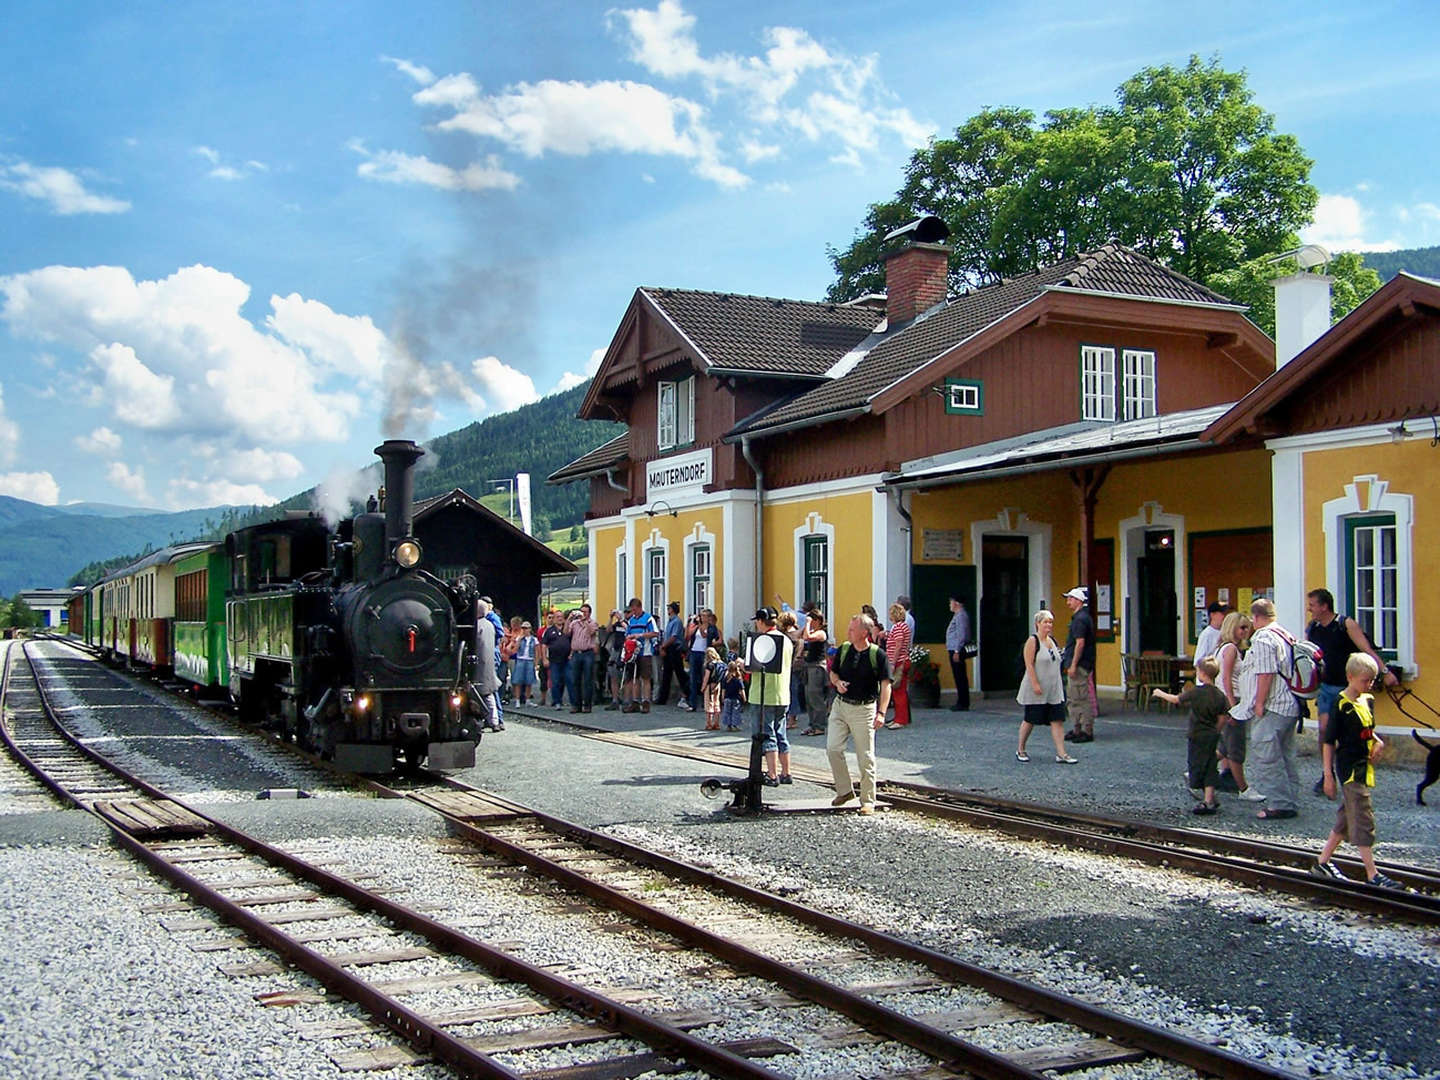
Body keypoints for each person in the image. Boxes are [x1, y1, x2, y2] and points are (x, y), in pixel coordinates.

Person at [1311, 653, 1400, 888]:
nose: (1368, 685)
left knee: (1346, 818)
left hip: (1364, 766)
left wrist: (1377, 741)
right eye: (1364, 680)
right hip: (1349, 769)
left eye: (1371, 681)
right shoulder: (1340, 705)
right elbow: (1329, 741)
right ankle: (1372, 874)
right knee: (1362, 816)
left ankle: (1322, 861)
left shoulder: (1367, 700)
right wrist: (1328, 775)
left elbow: (1367, 728)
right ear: (1350, 677)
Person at [1305, 587, 1399, 795]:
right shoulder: (1313, 628)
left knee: (1351, 734)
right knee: (1324, 731)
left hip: (1349, 687)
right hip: (1327, 687)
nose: (1309, 609)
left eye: (1312, 605)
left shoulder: (1344, 624)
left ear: (1324, 606)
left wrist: (1384, 671)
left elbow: (1366, 649)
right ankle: (1327, 773)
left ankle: (1355, 773)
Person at [1238, 598, 1303, 819]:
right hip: (1290, 703)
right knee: (1285, 755)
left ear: (1255, 618)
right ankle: (1290, 799)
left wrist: (1258, 703)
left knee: (1266, 754)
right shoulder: (1284, 634)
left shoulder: (1264, 638)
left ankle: (1280, 804)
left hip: (1273, 704)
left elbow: (1266, 673)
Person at [827, 613, 892, 815]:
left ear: (864, 633)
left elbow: (886, 685)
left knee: (865, 756)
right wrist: (837, 683)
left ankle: (868, 800)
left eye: (852, 629)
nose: (848, 631)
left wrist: (881, 713)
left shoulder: (878, 655)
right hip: (840, 706)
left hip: (864, 709)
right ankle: (845, 791)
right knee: (833, 749)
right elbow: (833, 672)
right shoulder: (844, 649)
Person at [1153, 656, 1229, 814]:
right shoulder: (1220, 695)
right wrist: (1216, 730)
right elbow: (1223, 718)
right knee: (1210, 765)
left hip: (1197, 735)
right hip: (1211, 735)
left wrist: (1160, 693)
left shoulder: (1196, 693)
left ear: (1201, 673)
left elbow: (1176, 699)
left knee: (1197, 764)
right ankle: (1210, 798)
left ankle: (1207, 798)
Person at [1214, 612, 1264, 802]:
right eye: (1241, 627)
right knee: (1235, 746)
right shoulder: (1231, 650)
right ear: (1232, 628)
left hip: (1228, 698)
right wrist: (1234, 706)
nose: (1245, 631)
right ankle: (1243, 788)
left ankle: (1198, 768)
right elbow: (1226, 678)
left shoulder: (1223, 648)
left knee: (1224, 746)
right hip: (1231, 698)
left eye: (1247, 627)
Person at [1016, 609, 1075, 764]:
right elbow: (1028, 664)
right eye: (1045, 622)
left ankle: (1062, 753)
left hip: (1053, 689)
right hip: (1037, 688)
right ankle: (1021, 748)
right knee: (1030, 719)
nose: (1049, 625)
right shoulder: (1032, 641)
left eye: (1050, 622)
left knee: (1057, 720)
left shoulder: (1052, 641)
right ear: (1038, 624)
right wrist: (1035, 683)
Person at [747, 607, 793, 786]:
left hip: (763, 695)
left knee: (767, 734)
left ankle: (772, 774)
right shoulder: (785, 640)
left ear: (760, 621)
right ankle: (786, 772)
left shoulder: (763, 640)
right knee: (781, 733)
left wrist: (743, 664)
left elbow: (754, 666)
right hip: (782, 693)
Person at [1061, 587, 1095, 742]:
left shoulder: (1080, 619)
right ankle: (1077, 728)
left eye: (1071, 599)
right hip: (1080, 663)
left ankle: (1086, 730)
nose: (1068, 602)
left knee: (1081, 698)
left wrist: (1074, 664)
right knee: (1074, 698)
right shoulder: (1081, 618)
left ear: (1079, 601)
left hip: (1080, 665)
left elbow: (1080, 643)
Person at [623, 598, 659, 712]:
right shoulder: (631, 620)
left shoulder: (648, 618)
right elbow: (627, 633)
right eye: (632, 610)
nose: (633, 612)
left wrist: (640, 635)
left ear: (639, 607)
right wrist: (629, 638)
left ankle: (646, 701)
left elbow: (655, 633)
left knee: (646, 677)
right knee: (634, 677)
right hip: (633, 653)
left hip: (645, 651)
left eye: (635, 610)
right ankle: (635, 702)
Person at [799, 609, 830, 736]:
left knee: (816, 697)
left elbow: (807, 637)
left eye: (811, 620)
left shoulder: (821, 633)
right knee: (808, 699)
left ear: (817, 620)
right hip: (809, 666)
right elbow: (801, 635)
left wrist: (807, 623)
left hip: (817, 668)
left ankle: (820, 726)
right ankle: (812, 724)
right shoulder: (813, 631)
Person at [883, 602, 912, 728]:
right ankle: (899, 718)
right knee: (899, 691)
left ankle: (900, 720)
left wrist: (892, 663)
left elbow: (898, 645)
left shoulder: (899, 627)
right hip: (903, 660)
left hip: (899, 661)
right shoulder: (903, 626)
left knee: (898, 691)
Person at [656, 601, 690, 708]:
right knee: (667, 673)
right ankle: (663, 698)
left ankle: (688, 692)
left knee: (679, 673)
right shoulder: (670, 621)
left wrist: (663, 646)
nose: (668, 610)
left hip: (674, 648)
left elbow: (673, 637)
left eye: (669, 608)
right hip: (669, 648)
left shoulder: (676, 622)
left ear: (673, 610)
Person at [687, 609, 720, 713]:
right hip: (694, 652)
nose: (702, 618)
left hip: (704, 654)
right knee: (692, 678)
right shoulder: (696, 627)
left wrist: (701, 627)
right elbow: (688, 636)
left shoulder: (711, 628)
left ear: (709, 617)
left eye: (705, 616)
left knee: (704, 678)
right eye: (701, 616)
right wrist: (691, 624)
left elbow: (707, 636)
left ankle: (705, 703)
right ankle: (693, 704)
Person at [567, 604, 599, 714]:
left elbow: (591, 632)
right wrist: (569, 619)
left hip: (587, 653)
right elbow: (566, 633)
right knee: (575, 680)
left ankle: (587, 705)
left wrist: (585, 622)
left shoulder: (593, 623)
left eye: (585, 612)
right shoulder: (574, 623)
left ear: (589, 613)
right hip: (576, 653)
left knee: (588, 680)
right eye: (581, 611)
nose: (583, 614)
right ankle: (576, 705)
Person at [777, 610, 805, 730]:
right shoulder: (798, 634)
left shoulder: (787, 636)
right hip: (797, 666)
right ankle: (792, 717)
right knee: (793, 691)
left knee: (790, 692)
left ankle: (791, 719)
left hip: (789, 667)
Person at [541, 609, 572, 709]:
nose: (559, 619)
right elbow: (544, 645)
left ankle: (571, 702)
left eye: (561, 617)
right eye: (557, 617)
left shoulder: (567, 630)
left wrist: (571, 654)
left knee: (568, 680)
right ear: (554, 619)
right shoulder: (549, 631)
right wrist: (545, 659)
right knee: (555, 681)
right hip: (554, 660)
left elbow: (573, 642)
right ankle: (557, 701)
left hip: (567, 660)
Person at [945, 595, 971, 712]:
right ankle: (961, 701)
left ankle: (963, 702)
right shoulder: (958, 615)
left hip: (957, 650)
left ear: (956, 603)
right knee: (958, 675)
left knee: (960, 675)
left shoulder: (961, 616)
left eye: (951, 603)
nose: (950, 605)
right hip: (954, 648)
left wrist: (957, 650)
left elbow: (962, 635)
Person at [603, 610, 627, 710]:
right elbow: (608, 630)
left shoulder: (629, 623)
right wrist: (611, 618)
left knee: (626, 677)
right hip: (616, 650)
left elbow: (628, 629)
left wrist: (622, 620)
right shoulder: (617, 624)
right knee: (613, 675)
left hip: (626, 651)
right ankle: (615, 700)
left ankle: (626, 699)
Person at [509, 621, 537, 706]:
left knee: (529, 681)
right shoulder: (519, 638)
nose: (525, 630)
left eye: (526, 628)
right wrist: (519, 640)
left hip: (529, 660)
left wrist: (536, 663)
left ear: (530, 629)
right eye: (523, 628)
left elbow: (537, 651)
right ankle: (517, 700)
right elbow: (515, 650)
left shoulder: (534, 639)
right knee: (518, 680)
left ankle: (528, 699)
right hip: (520, 659)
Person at [1194, 602, 1227, 669]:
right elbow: (1198, 660)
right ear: (1212, 615)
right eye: (1221, 613)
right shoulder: (1206, 634)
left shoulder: (1225, 632)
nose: (1224, 616)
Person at [700, 645, 725, 730]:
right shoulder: (721, 663)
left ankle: (709, 724)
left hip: (710, 685)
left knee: (709, 704)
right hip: (718, 684)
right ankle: (717, 724)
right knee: (716, 703)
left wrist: (703, 687)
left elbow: (706, 677)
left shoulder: (710, 665)